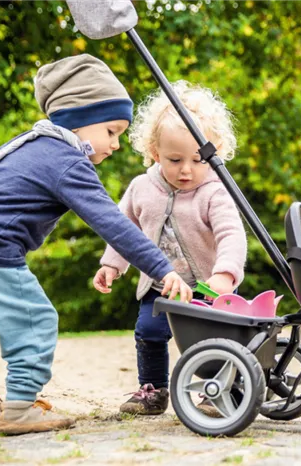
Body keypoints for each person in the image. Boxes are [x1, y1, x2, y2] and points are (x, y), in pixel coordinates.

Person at [0, 54, 192, 436]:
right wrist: (162, 268)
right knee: (37, 321)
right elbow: (113, 224)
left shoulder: (31, 146)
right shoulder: (65, 160)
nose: (116, 144)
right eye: (112, 131)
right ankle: (20, 408)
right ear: (80, 118)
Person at [93, 81, 247, 416]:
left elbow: (231, 235)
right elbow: (124, 231)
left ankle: (218, 389)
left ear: (214, 152)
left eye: (197, 159)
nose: (187, 170)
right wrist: (112, 265)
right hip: (159, 286)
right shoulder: (141, 188)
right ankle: (153, 390)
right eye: (174, 159)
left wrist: (225, 274)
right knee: (148, 332)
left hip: (207, 287)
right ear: (153, 151)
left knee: (213, 339)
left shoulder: (215, 192)